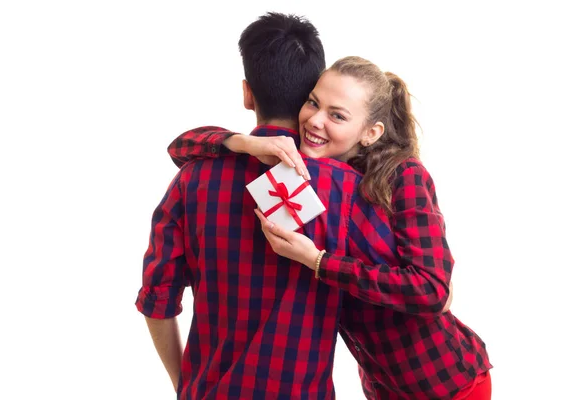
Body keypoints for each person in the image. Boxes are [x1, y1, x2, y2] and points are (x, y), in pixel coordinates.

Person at [166, 56, 492, 398]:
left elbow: (432, 290)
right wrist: (246, 143)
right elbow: (180, 147)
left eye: (336, 115)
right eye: (312, 103)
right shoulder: (309, 174)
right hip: (383, 385)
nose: (315, 121)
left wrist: (318, 261)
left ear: (370, 132)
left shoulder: (404, 175)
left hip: (447, 383)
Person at [136, 14, 399, 399]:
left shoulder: (192, 181)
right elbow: (396, 285)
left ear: (247, 93)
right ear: (313, 91)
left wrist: (185, 386)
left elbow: (156, 299)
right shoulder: (346, 189)